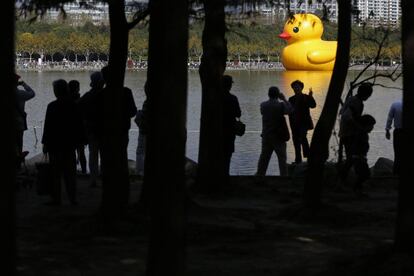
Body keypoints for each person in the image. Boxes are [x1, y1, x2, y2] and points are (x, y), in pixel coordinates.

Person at [42, 79, 85, 206]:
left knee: (55, 174)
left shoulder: (52, 106)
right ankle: (72, 198)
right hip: (69, 144)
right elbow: (79, 125)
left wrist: (45, 143)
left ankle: (56, 199)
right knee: (70, 174)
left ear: (56, 91)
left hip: (55, 144)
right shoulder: (73, 105)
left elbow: (48, 127)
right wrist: (81, 140)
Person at [339, 83, 373, 179]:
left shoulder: (351, 99)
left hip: (345, 133)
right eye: (368, 95)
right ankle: (343, 180)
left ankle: (345, 180)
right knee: (352, 158)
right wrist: (359, 127)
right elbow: (346, 116)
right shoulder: (356, 102)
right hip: (349, 134)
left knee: (351, 158)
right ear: (366, 94)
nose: (368, 97)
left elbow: (342, 112)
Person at [256, 86, 292, 176]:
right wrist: (284, 99)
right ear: (278, 95)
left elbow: (262, 112)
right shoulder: (281, 105)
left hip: (266, 135)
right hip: (279, 136)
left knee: (264, 158)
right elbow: (290, 110)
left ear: (268, 94)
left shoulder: (263, 105)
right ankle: (284, 177)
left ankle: (260, 175)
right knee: (282, 159)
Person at [78, 72, 105, 187]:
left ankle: (93, 179)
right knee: (105, 155)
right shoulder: (107, 95)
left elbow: (79, 109)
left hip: (92, 130)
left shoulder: (88, 96)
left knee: (93, 155)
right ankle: (104, 178)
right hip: (106, 130)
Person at [288, 80, 316, 164]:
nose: (296, 88)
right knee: (296, 141)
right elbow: (289, 110)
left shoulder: (306, 97)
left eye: (298, 86)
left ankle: (308, 157)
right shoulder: (291, 99)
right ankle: (298, 160)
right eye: (294, 87)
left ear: (301, 88)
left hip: (304, 123)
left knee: (303, 137)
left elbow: (313, 105)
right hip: (294, 123)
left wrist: (311, 96)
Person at [349, 114, 376, 195]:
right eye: (371, 125)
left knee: (363, 174)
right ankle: (356, 189)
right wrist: (360, 156)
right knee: (365, 174)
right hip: (359, 157)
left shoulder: (362, 133)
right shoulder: (361, 134)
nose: (372, 128)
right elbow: (358, 146)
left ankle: (358, 190)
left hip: (360, 157)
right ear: (366, 125)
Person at [223, 75, 242, 180]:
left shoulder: (214, 97)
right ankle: (226, 174)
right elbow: (238, 114)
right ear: (230, 85)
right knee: (228, 153)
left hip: (216, 129)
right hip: (229, 128)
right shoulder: (233, 98)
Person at [14, 74, 35, 169]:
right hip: (19, 123)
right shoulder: (21, 94)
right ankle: (18, 166)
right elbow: (32, 93)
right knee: (19, 145)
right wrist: (24, 84)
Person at [68, 80, 87, 174]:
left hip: (69, 131)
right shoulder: (81, 101)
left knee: (70, 153)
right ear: (78, 88)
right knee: (82, 153)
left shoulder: (66, 102)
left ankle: (71, 171)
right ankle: (84, 171)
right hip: (80, 131)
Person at [135, 83, 149, 176]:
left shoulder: (147, 102)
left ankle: (140, 172)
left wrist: (138, 114)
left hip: (144, 132)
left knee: (140, 152)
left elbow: (142, 116)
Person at [385, 100, 402, 175]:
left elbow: (390, 118)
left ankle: (396, 172)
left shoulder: (395, 104)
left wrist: (387, 130)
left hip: (398, 132)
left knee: (397, 153)